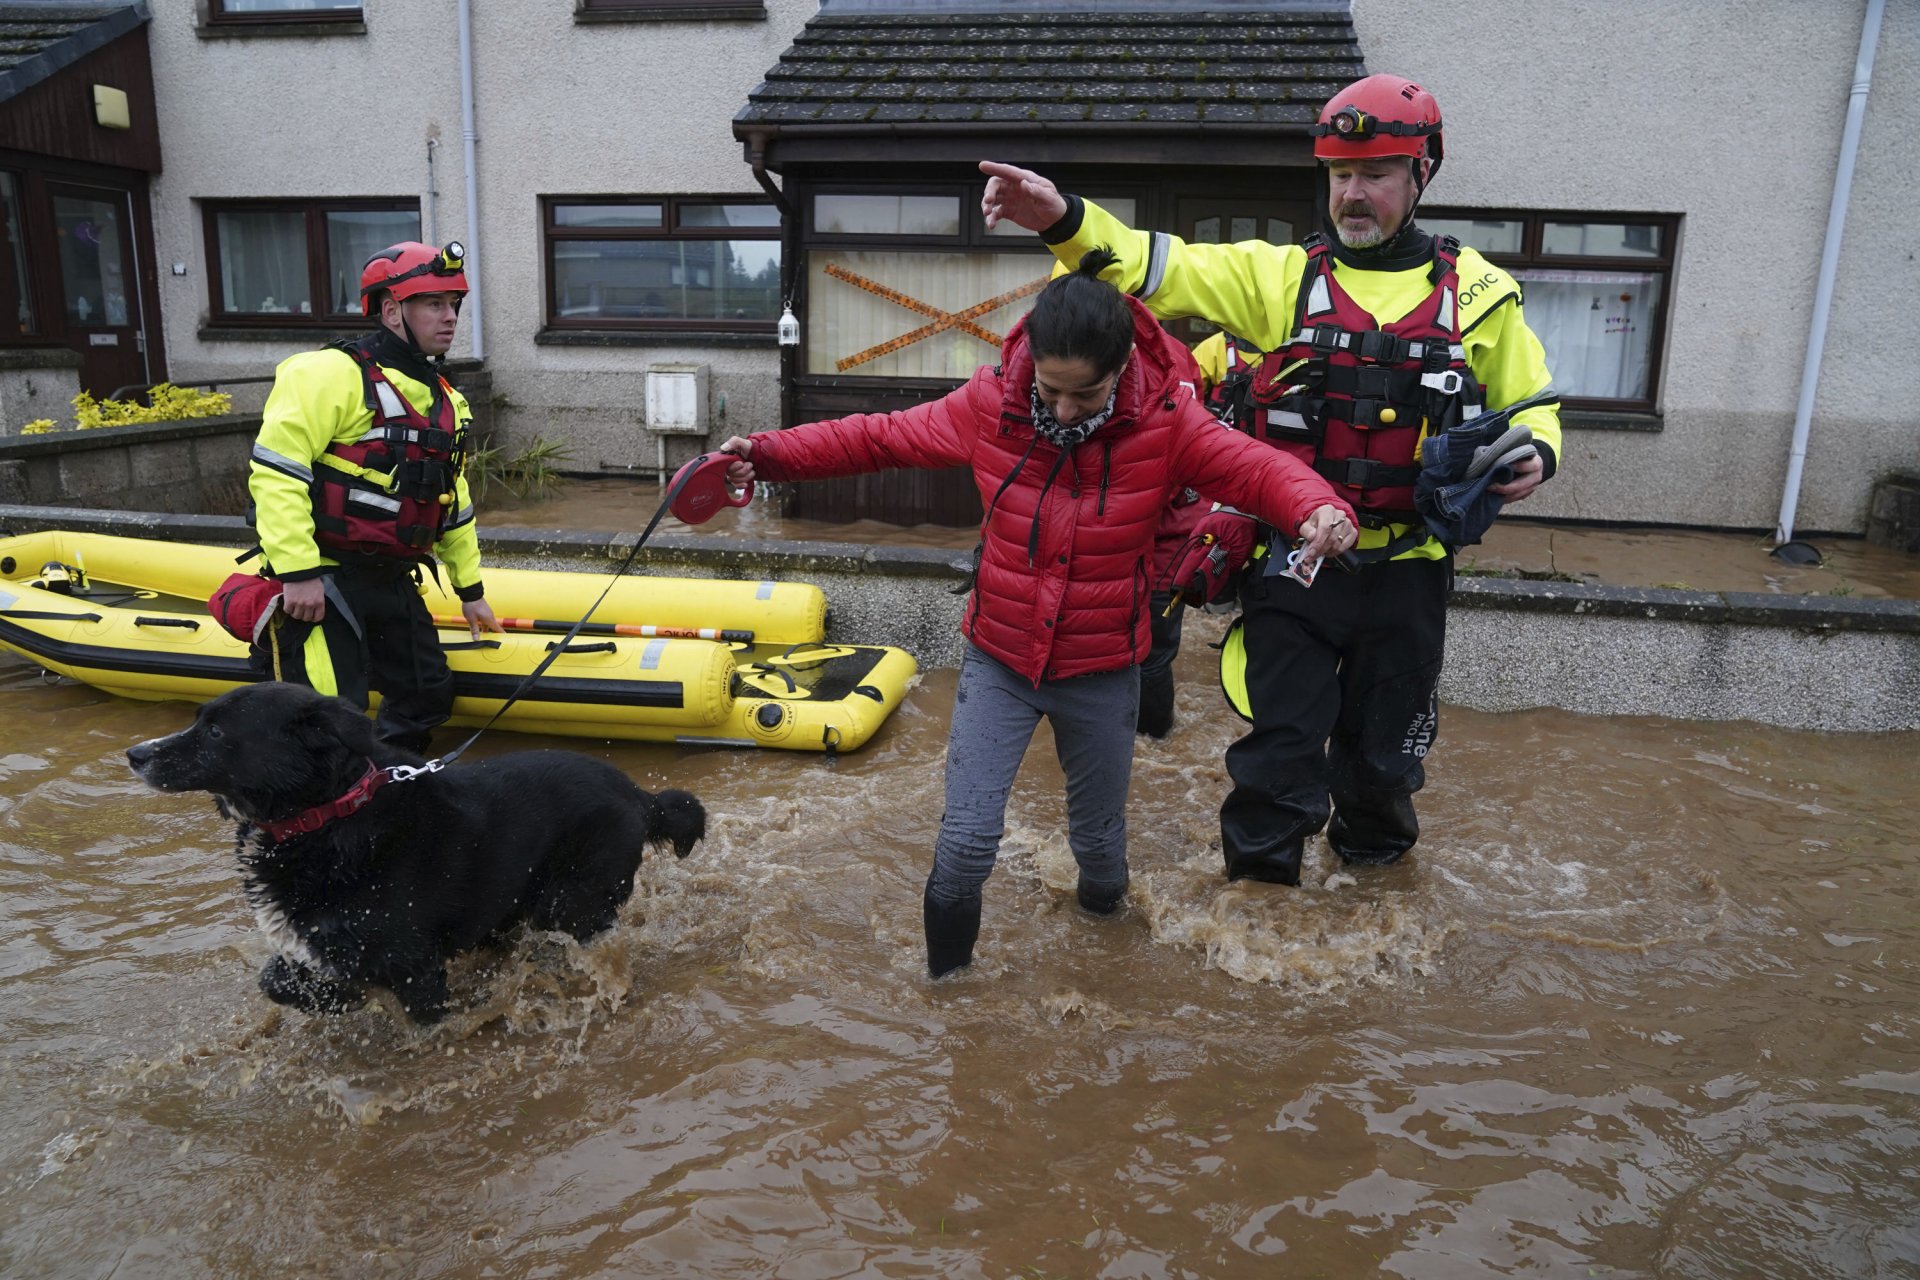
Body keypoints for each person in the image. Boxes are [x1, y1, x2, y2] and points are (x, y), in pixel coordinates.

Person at [980, 72, 1562, 888]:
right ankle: (1260, 914)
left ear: (1422, 173)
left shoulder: (1485, 295)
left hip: (1409, 573)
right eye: (1339, 177)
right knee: (1278, 758)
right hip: (1297, 567)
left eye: (1376, 175)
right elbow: (1159, 266)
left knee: (1383, 764)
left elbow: (1533, 406)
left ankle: (1371, 892)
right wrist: (1064, 221)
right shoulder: (1282, 279)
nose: (1353, 195)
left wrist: (1536, 451)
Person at [718, 249, 1358, 977]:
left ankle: (1100, 968)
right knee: (962, 847)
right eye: (1050, 391)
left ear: (1121, 371)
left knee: (1100, 851)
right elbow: (874, 437)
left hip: (1104, 667)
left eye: (1084, 396)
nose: (1062, 411)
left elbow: (1258, 467)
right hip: (1000, 659)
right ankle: (949, 1000)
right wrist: (764, 455)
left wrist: (1319, 509)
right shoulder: (990, 406)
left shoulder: (1169, 423)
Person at [246, 240, 499, 753]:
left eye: (454, 304)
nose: (449, 317)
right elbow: (276, 475)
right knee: (327, 719)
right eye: (433, 303)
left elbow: (453, 501)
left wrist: (470, 590)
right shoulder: (327, 374)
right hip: (325, 577)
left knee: (428, 695)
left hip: (391, 578)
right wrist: (298, 574)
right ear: (390, 310)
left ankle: (381, 793)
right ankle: (310, 817)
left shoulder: (447, 400)